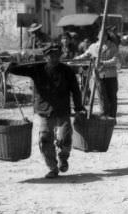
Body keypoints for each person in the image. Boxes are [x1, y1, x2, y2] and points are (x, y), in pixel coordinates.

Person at [6, 43, 85, 178]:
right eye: (51, 56)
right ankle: (52, 168)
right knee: (45, 139)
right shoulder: (37, 69)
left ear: (59, 56)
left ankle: (63, 158)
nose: (54, 58)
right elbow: (19, 70)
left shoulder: (67, 71)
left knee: (65, 137)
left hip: (62, 110)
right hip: (44, 110)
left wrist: (78, 108)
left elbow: (75, 91)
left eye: (56, 55)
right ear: (46, 56)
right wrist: (9, 67)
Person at [76, 32, 120, 118]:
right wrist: (76, 59)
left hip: (110, 76)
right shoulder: (93, 46)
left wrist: (103, 63)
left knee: (112, 98)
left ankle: (112, 117)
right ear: (97, 36)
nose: (102, 37)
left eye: (104, 35)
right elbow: (85, 55)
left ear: (107, 37)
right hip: (97, 76)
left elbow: (115, 60)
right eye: (100, 35)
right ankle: (105, 115)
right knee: (102, 97)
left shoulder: (112, 46)